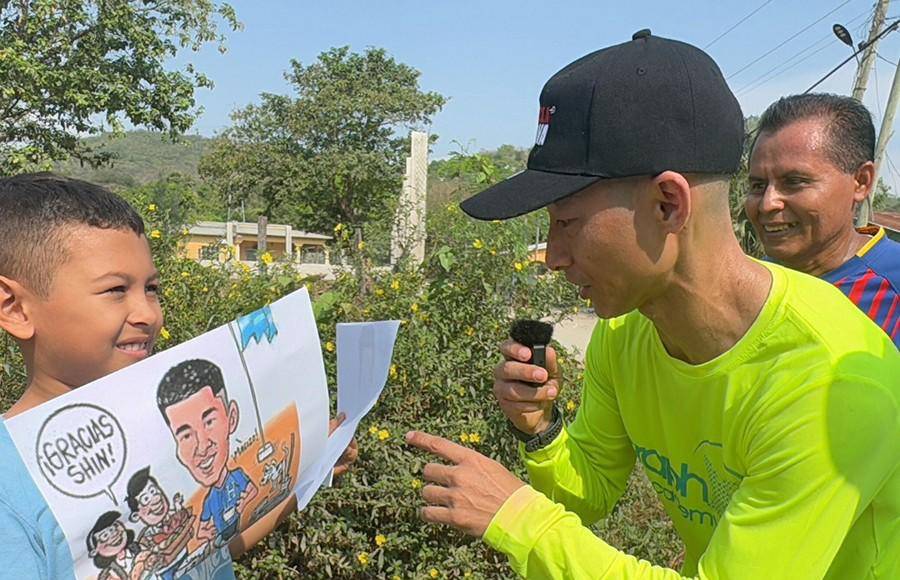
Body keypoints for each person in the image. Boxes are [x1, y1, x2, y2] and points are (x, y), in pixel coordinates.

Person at [405, 31, 900, 578]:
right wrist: (538, 429)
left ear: (669, 203)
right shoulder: (630, 330)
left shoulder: (831, 381)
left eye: (567, 222)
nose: (554, 257)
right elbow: (590, 489)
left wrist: (518, 518)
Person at [0, 173, 358, 579]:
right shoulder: (8, 492)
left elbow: (204, 555)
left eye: (151, 289)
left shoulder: (171, 427)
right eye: (116, 290)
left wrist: (308, 470)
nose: (148, 314)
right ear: (15, 308)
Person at [746, 93, 900, 347]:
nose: (767, 203)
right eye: (757, 185)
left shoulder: (891, 282)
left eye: (794, 182)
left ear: (861, 182)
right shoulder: (750, 284)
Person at [156, 359, 259, 546]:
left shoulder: (237, 477)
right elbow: (201, 530)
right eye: (186, 435)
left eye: (209, 422)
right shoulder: (209, 500)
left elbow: (255, 493)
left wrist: (247, 503)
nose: (202, 446)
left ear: (232, 417)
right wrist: (206, 533)